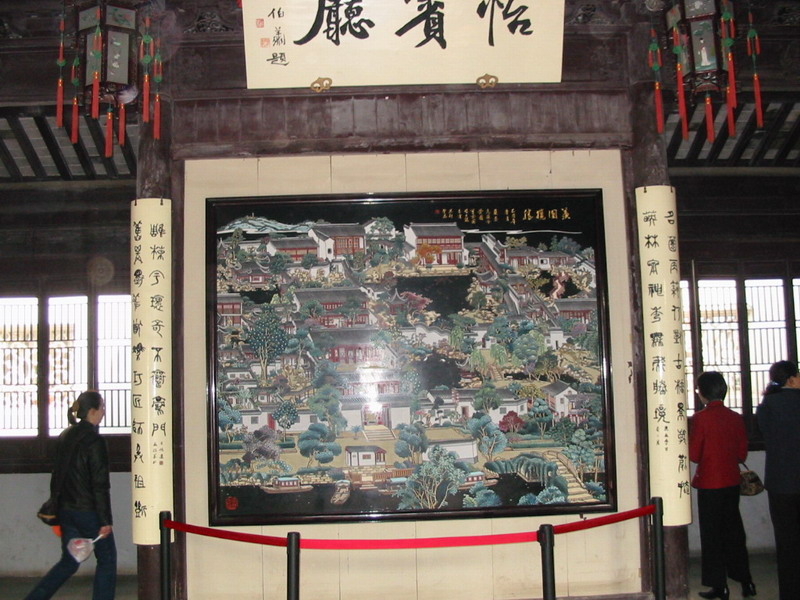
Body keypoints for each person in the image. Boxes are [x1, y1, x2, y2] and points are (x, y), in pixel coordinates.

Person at [25, 391, 116, 600]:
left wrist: (57, 504)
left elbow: (57, 474)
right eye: (102, 407)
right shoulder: (95, 441)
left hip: (67, 510)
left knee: (69, 561)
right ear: (92, 411)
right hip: (89, 512)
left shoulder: (66, 435)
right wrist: (105, 521)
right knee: (107, 560)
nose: (103, 411)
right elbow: (100, 484)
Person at [689, 371, 756, 600]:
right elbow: (741, 454)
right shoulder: (735, 417)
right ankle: (746, 582)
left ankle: (720, 586)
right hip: (731, 481)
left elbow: (694, 455)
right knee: (734, 532)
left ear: (702, 393)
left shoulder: (700, 418)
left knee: (712, 535)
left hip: (709, 483)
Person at [757, 360, 800, 600]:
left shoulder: (767, 405)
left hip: (780, 482)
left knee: (786, 541)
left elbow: (766, 435)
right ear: (791, 379)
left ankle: (789, 592)